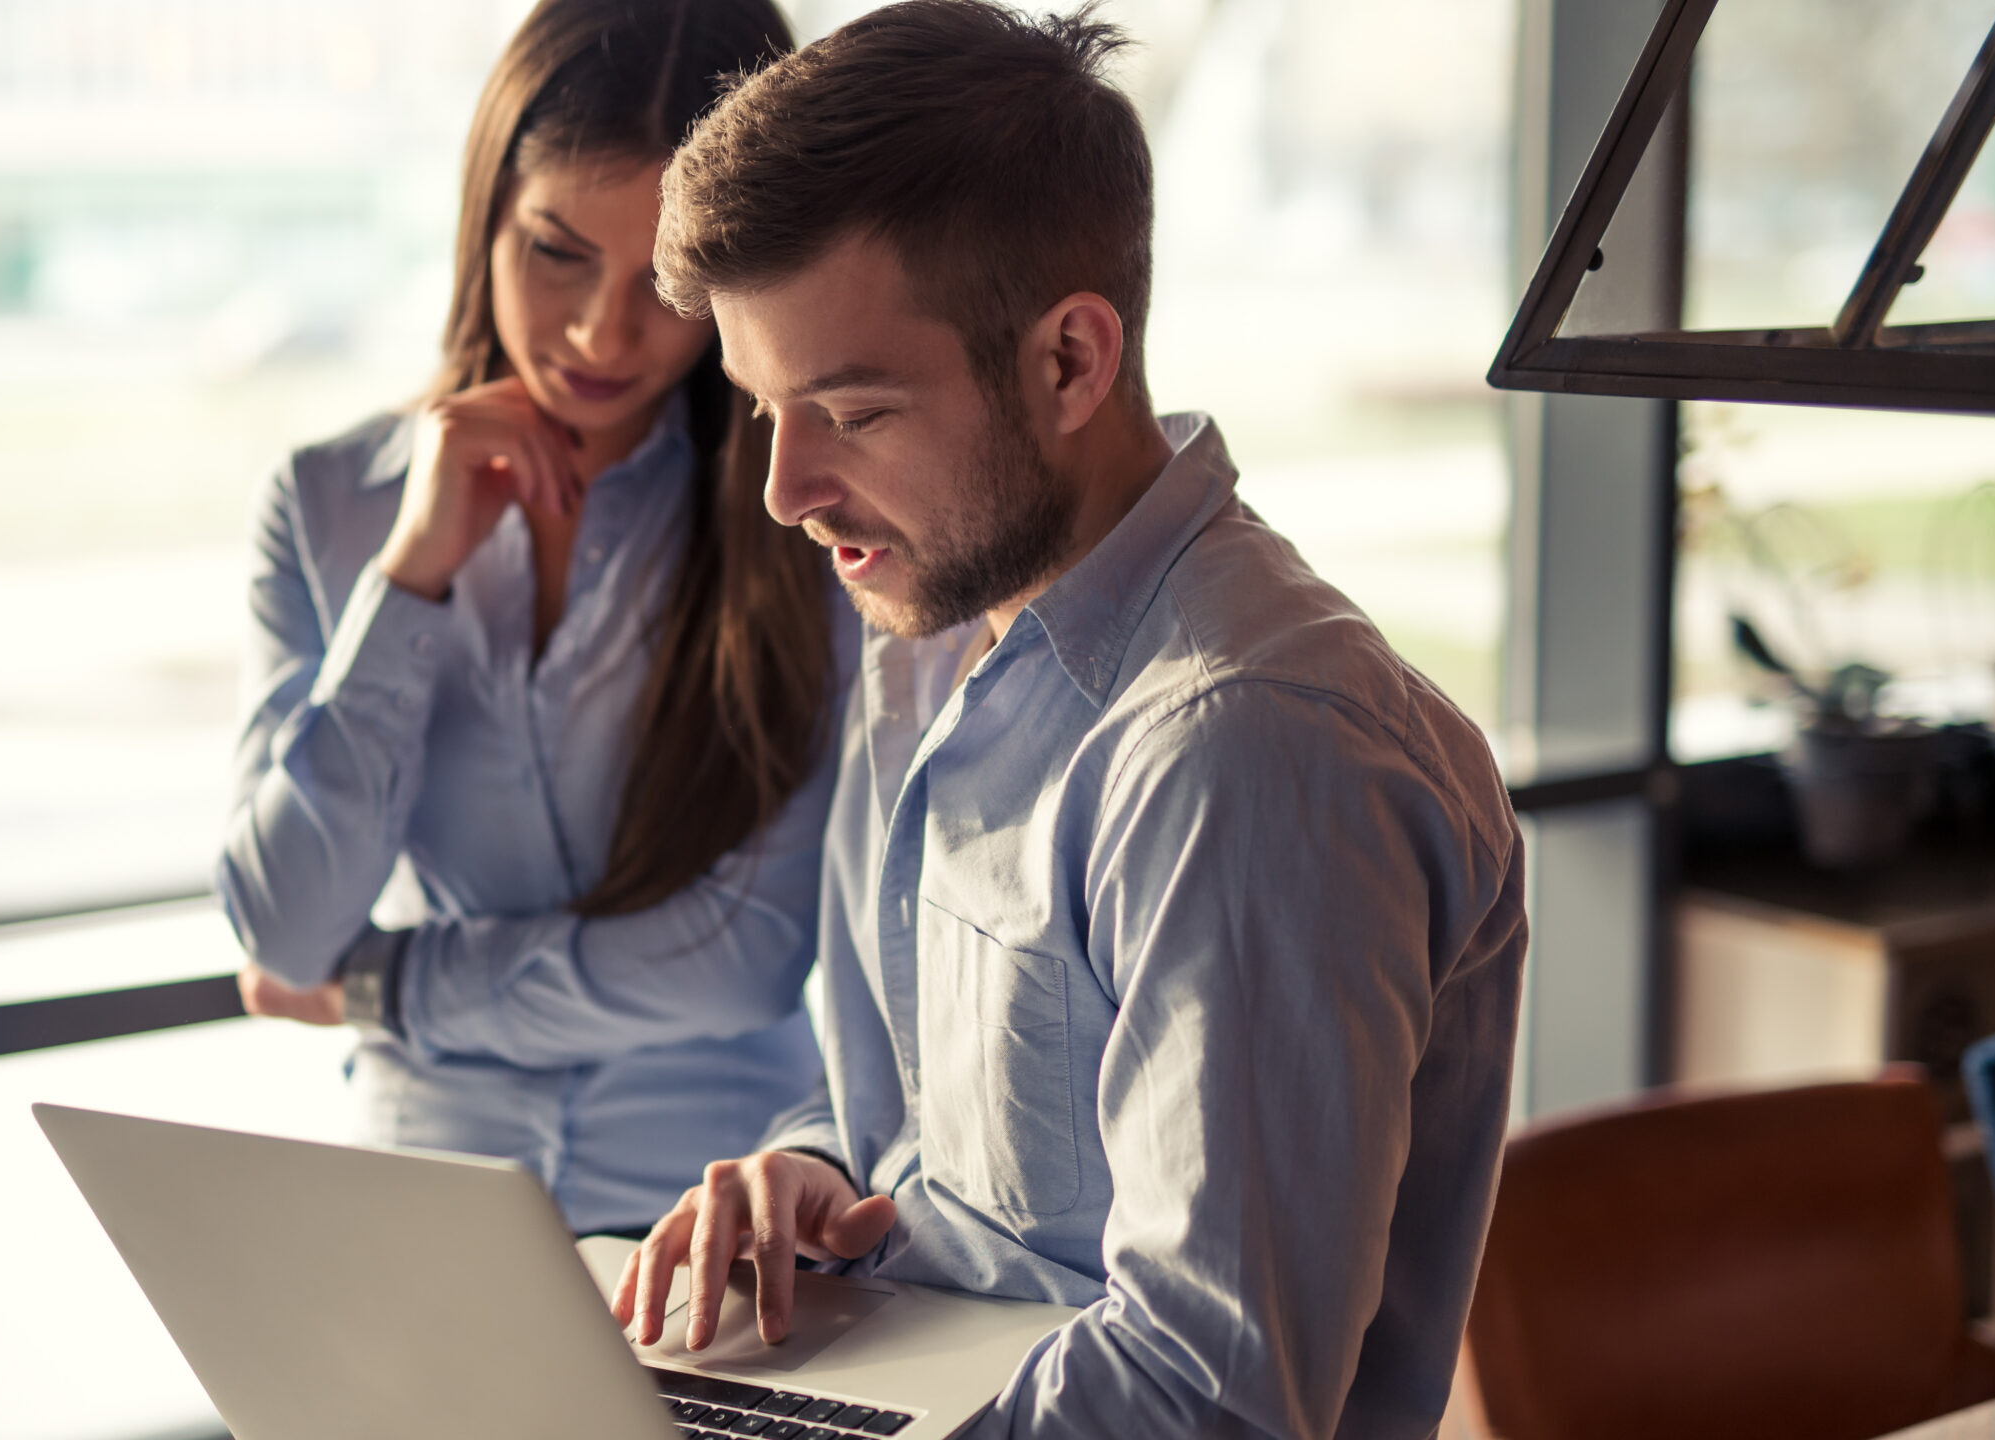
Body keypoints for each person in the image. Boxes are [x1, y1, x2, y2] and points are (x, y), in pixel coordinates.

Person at [610, 3, 1529, 1435]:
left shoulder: (1246, 751)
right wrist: (821, 1183)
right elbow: (932, 1142)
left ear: (1070, 362)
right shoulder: (924, 640)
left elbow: (1204, 1396)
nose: (785, 490)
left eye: (849, 411)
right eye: (762, 408)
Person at [218, 0, 853, 1238]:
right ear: (485, 213)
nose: (601, 334)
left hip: (719, 1233)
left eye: (666, 282)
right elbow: (286, 928)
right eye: (557, 251)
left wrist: (388, 984)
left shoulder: (806, 523)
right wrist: (410, 579)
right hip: (424, 1229)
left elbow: (743, 958)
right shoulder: (326, 508)